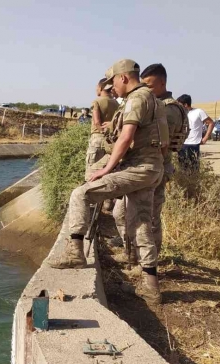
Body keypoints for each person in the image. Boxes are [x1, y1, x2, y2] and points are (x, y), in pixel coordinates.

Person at [47, 59, 167, 306]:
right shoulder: (155, 99)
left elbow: (126, 136)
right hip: (153, 168)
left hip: (138, 168)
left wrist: (107, 168)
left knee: (81, 194)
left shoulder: (136, 98)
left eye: (114, 81)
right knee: (141, 222)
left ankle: (75, 252)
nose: (113, 88)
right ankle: (151, 287)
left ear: (123, 78)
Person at [113, 63, 187, 257]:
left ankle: (150, 261)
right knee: (123, 214)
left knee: (149, 218)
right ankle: (133, 255)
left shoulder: (168, 108)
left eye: (150, 86)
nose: (146, 89)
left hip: (155, 169)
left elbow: (159, 144)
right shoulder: (152, 103)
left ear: (162, 83)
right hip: (142, 167)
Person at [85, 78, 119, 181]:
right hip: (111, 140)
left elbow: (96, 121)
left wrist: (101, 131)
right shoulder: (116, 103)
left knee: (91, 171)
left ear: (100, 88)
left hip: (98, 139)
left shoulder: (97, 101)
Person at [176, 94, 213, 171]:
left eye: (179, 105)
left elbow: (211, 123)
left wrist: (205, 138)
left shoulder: (199, 112)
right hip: (181, 144)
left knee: (193, 168)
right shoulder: (180, 114)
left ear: (185, 105)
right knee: (182, 168)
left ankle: (194, 182)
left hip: (193, 144)